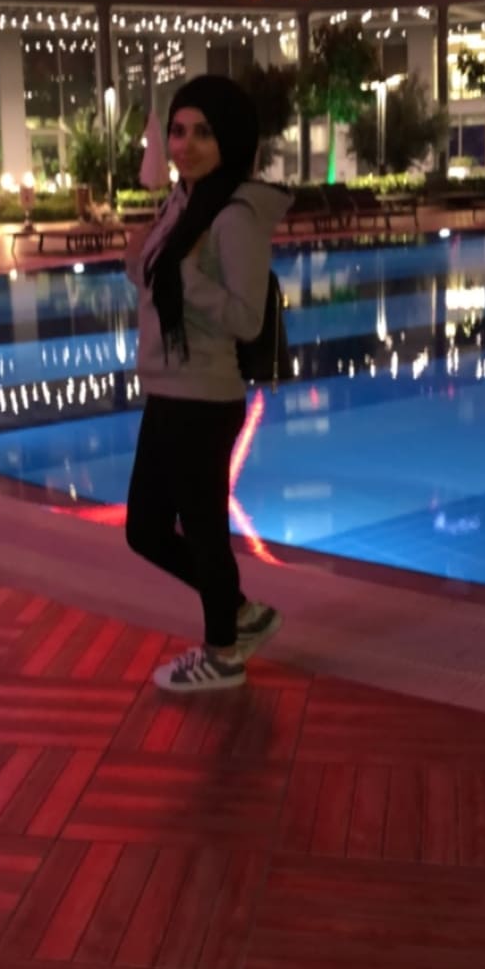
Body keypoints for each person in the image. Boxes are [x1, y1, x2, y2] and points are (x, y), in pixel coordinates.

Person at [125, 73, 290, 693]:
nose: (185, 145)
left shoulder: (235, 216)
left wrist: (181, 276)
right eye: (178, 130)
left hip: (203, 397)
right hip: (169, 388)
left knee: (203, 532)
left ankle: (223, 654)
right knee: (145, 530)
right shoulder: (184, 202)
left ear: (231, 140)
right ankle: (241, 613)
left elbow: (246, 318)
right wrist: (142, 265)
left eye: (203, 132)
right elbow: (162, 286)